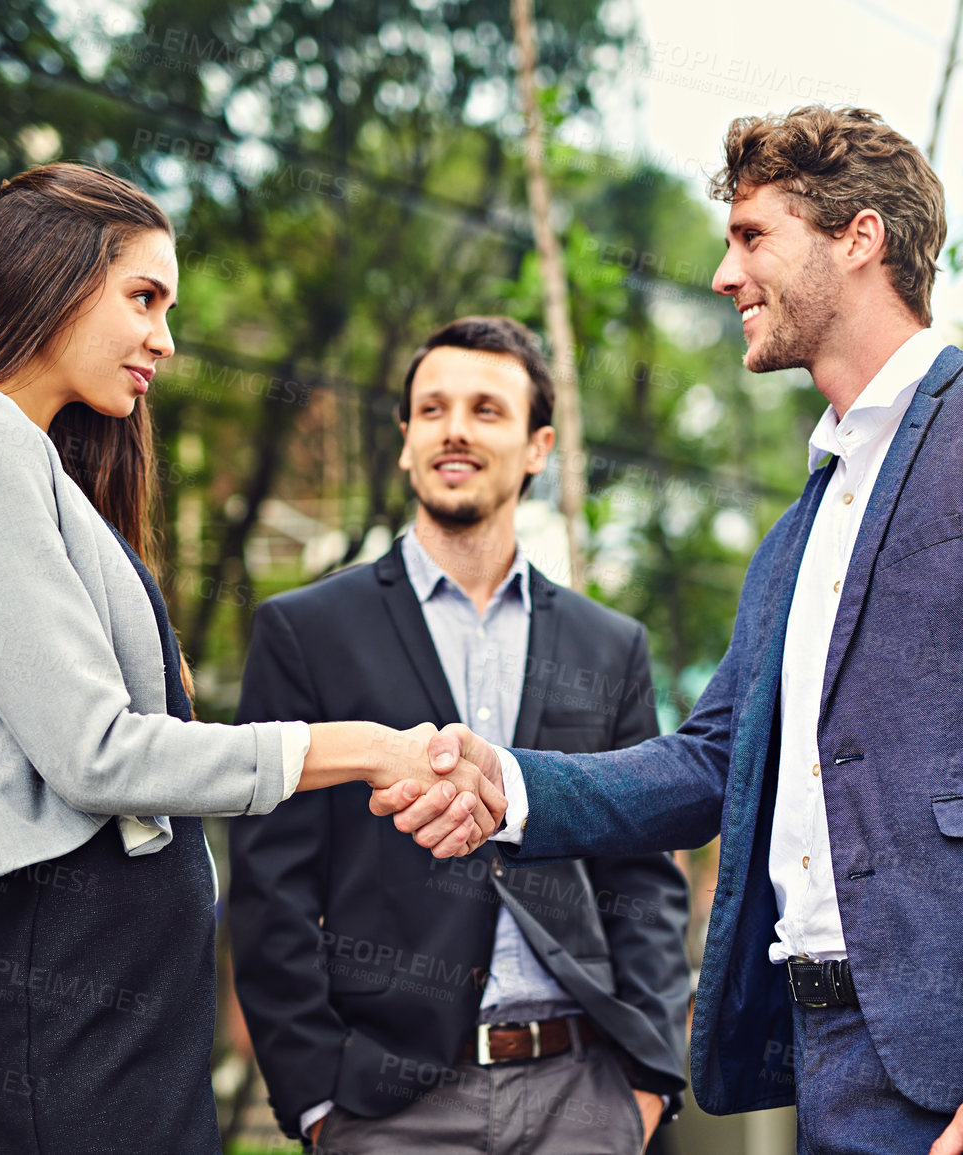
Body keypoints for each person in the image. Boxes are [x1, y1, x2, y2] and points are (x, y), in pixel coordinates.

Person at [377, 107, 963, 1154]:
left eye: (753, 236)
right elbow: (715, 761)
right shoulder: (796, 532)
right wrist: (513, 783)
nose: (725, 274)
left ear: (859, 238)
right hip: (827, 1051)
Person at [0, 163, 503, 1154]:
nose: (164, 340)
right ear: (52, 277)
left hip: (132, 1004)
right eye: (144, 298)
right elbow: (98, 754)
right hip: (65, 1000)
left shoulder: (47, 470)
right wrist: (368, 750)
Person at [228, 316, 692, 1154]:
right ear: (405, 440)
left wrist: (649, 1081)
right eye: (432, 409)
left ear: (537, 446)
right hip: (388, 1108)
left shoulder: (607, 643)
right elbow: (270, 886)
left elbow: (646, 875)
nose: (455, 429)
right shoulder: (305, 632)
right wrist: (316, 1100)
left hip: (584, 1095)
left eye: (487, 409)